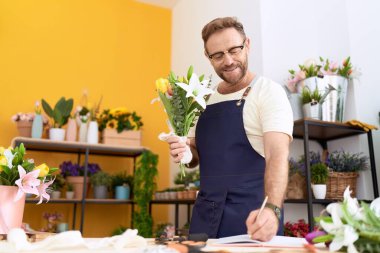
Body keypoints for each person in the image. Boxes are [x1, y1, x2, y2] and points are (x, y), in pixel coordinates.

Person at [167, 17, 293, 241]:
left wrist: (273, 209)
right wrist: (186, 152)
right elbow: (195, 155)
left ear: (248, 45)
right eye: (218, 55)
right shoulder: (202, 98)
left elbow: (277, 156)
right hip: (204, 220)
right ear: (208, 57)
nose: (228, 60)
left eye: (235, 50)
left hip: (252, 220)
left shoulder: (268, 92)